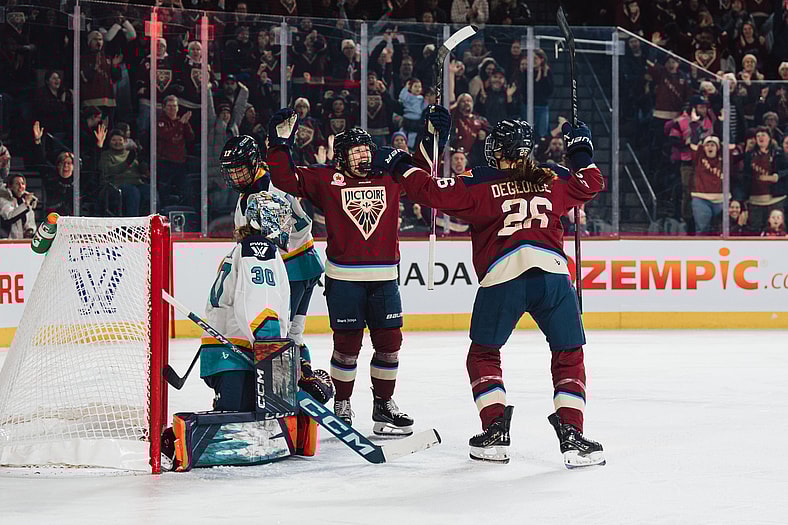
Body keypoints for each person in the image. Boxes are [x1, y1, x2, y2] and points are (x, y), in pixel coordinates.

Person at [371, 105, 606, 467]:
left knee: (483, 354)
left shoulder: (480, 181)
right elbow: (591, 184)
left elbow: (430, 191)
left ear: (498, 151)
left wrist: (401, 163)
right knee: (569, 354)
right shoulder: (554, 176)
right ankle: (573, 437)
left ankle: (496, 430)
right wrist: (580, 152)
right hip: (554, 278)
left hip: (503, 277)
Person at [266, 109, 414, 436]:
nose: (363, 156)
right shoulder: (326, 179)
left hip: (385, 278)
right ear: (340, 158)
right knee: (347, 347)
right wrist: (278, 146)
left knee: (390, 343)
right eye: (354, 151)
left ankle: (383, 405)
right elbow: (284, 178)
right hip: (344, 279)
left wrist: (432, 138)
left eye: (366, 150)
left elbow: (422, 175)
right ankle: (342, 403)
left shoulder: (390, 175)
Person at [198, 191, 331, 411]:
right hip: (237, 357)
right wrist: (275, 362)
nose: (285, 226)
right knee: (240, 427)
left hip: (226, 354)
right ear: (263, 221)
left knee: (238, 421)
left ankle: (180, 436)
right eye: (280, 219)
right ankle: (180, 439)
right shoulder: (259, 250)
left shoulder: (244, 248)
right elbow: (259, 305)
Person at [221, 135, 325, 376]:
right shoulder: (265, 180)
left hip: (289, 269)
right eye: (232, 171)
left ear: (254, 163)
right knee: (294, 333)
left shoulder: (261, 191)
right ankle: (304, 380)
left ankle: (282, 386)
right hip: (305, 262)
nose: (236, 176)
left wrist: (248, 236)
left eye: (240, 170)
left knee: (279, 332)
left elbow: (274, 238)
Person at [0, 174, 37, 239]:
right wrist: (26, 204)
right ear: (10, 186)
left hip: (21, 243)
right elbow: (9, 217)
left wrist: (30, 230)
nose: (20, 186)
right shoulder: (3, 199)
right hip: (5, 242)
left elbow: (30, 222)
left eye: (22, 183)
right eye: (17, 184)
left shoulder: (24, 200)